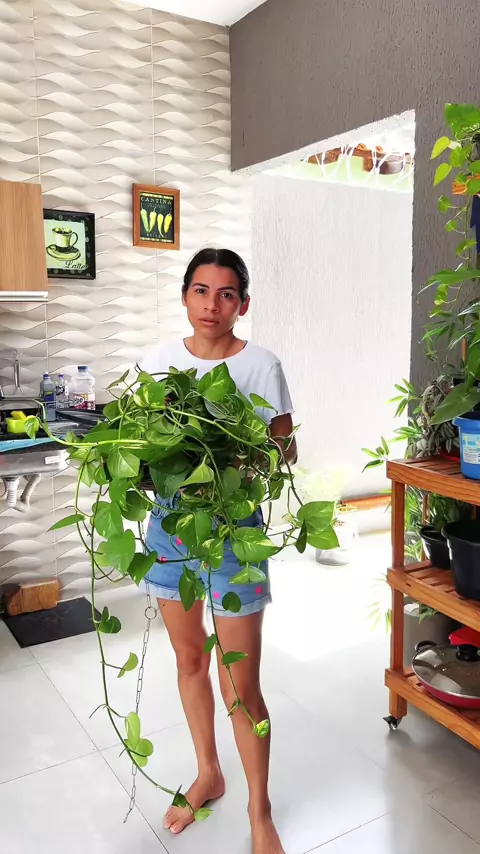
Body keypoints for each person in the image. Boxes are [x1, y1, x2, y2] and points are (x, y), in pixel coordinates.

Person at [140, 248, 296, 854]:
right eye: (201, 291)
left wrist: (236, 455)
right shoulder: (157, 363)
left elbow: (285, 451)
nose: (212, 305)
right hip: (171, 531)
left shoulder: (261, 365)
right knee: (188, 661)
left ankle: (261, 811)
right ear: (185, 297)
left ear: (243, 304)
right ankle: (208, 772)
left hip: (234, 532)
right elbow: (144, 446)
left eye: (226, 294)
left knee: (241, 684)